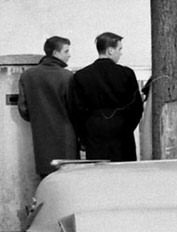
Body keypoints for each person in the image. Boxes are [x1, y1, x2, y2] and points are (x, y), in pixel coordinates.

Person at [68, 31, 144, 163]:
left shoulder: (81, 76)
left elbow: (76, 110)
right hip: (122, 132)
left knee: (99, 174)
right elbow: (136, 107)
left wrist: (84, 135)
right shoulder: (126, 74)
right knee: (124, 172)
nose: (121, 53)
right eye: (119, 49)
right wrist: (126, 126)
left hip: (94, 132)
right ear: (110, 50)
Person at [17, 35, 76, 177]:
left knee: (46, 177)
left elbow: (24, 110)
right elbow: (74, 108)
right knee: (66, 177)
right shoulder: (67, 76)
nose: (69, 55)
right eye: (66, 51)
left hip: (41, 135)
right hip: (66, 135)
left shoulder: (28, 76)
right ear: (56, 53)